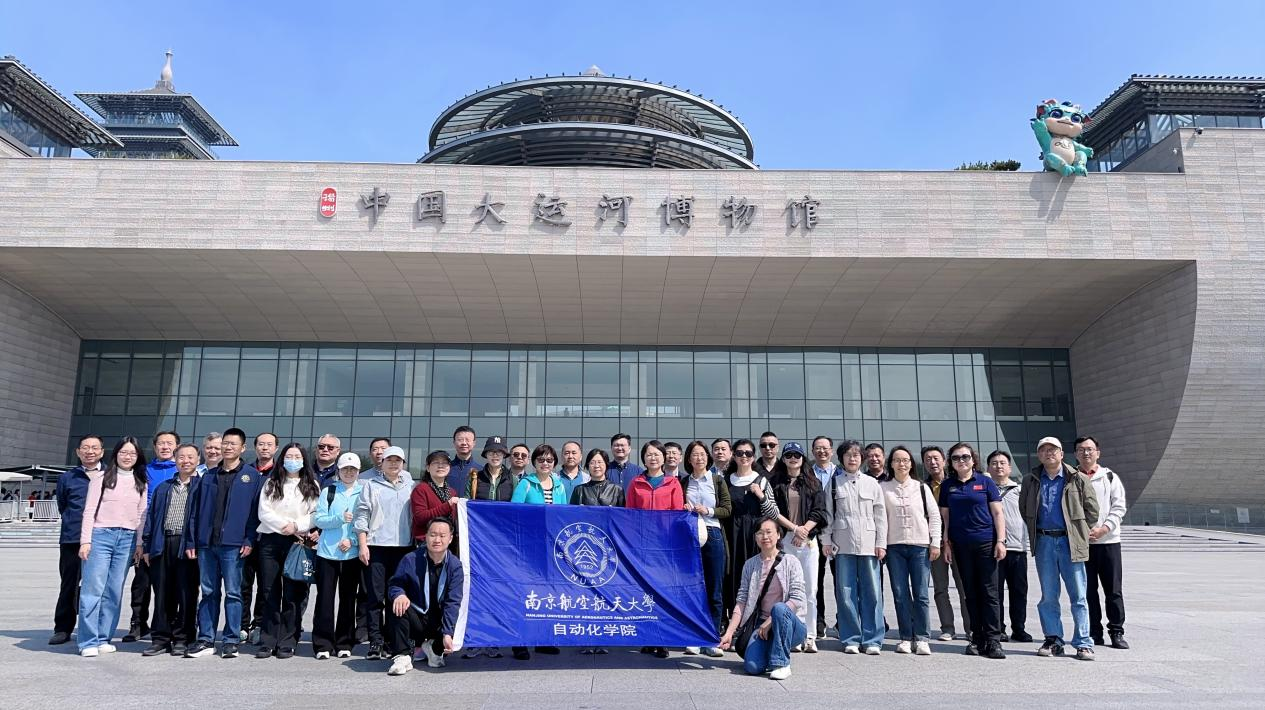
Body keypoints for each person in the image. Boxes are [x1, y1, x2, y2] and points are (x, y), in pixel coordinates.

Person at [183, 427, 264, 659]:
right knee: (208, 592)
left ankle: (230, 640)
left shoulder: (252, 477)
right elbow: (194, 513)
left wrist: (249, 539)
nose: (227, 447)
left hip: (234, 545)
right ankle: (206, 639)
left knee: (233, 593)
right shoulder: (208, 476)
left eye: (232, 444)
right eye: (225, 443)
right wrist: (192, 541)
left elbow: (255, 513)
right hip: (207, 544)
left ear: (243, 448)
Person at [1020, 437, 1099, 661]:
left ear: (1062, 454)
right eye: (1044, 450)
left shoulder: (1077, 478)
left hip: (1069, 542)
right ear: (1039, 455)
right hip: (1044, 541)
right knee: (1048, 595)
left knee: (1079, 596)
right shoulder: (1031, 480)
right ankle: (1053, 639)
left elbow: (1092, 511)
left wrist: (1078, 531)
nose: (1049, 453)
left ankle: (1083, 643)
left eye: (1053, 449)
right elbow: (1024, 509)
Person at [77, 437, 149, 657]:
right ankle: (87, 641)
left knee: (114, 591)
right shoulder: (101, 478)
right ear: (116, 454)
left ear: (138, 457)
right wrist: (85, 541)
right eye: (123, 452)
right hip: (101, 536)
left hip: (127, 539)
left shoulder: (141, 482)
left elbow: (141, 515)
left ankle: (103, 637)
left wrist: (139, 543)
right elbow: (89, 510)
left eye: (132, 453)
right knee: (92, 589)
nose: (127, 457)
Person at [938, 442, 1007, 659]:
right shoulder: (948, 486)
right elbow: (945, 518)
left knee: (990, 593)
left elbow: (998, 513)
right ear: (951, 462)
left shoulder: (985, 482)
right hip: (961, 546)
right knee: (970, 593)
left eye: (965, 457)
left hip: (986, 543)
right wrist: (946, 543)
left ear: (973, 460)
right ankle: (977, 638)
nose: (961, 461)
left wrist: (1001, 541)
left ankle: (994, 640)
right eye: (956, 458)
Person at [719, 518, 807, 680]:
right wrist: (729, 633)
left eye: (769, 532)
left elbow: (797, 599)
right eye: (760, 533)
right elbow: (742, 601)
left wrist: (770, 622)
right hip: (760, 624)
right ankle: (773, 650)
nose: (764, 537)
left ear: (778, 535)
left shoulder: (791, 562)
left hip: (790, 623)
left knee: (779, 608)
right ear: (755, 537)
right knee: (752, 667)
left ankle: (782, 663)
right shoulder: (750, 565)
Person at [253, 442, 319, 659]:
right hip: (271, 541)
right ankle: (268, 640)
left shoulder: (311, 485)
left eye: (297, 456)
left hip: (297, 542)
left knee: (294, 593)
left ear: (304, 460)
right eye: (289, 456)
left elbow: (315, 514)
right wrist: (284, 526)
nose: (293, 460)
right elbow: (264, 512)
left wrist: (296, 526)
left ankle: (288, 640)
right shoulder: (271, 482)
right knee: (269, 591)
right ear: (282, 459)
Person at [822, 439, 886, 655]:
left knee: (872, 592)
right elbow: (828, 515)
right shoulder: (834, 483)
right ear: (841, 459)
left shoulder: (872, 483)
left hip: (869, 544)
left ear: (862, 459)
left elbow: (880, 516)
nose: (852, 458)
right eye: (848, 455)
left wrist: (881, 543)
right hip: (843, 544)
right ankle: (851, 638)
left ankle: (873, 639)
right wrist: (826, 541)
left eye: (856, 455)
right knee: (845, 592)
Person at [625, 439, 685, 659]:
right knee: (643, 592)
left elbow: (677, 515)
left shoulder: (673, 483)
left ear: (663, 458)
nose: (653, 458)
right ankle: (647, 638)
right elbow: (629, 515)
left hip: (664, 547)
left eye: (657, 454)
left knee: (663, 592)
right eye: (649, 454)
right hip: (641, 546)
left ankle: (663, 640)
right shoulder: (636, 483)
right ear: (644, 458)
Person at [354, 445, 415, 661]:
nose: (393, 464)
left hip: (403, 548)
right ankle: (375, 641)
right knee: (375, 597)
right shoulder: (371, 485)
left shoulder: (411, 486)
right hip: (376, 547)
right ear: (382, 463)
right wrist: (363, 545)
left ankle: (391, 640)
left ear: (403, 464)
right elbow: (361, 515)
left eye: (398, 460)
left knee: (395, 597)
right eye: (390, 460)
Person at [141, 442, 202, 656]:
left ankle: (183, 638)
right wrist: (147, 546)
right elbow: (151, 518)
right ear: (175, 460)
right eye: (181, 457)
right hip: (162, 543)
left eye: (190, 457)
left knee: (186, 593)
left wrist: (196, 544)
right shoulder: (163, 487)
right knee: (162, 593)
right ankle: (160, 638)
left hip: (188, 546)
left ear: (198, 460)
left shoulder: (203, 487)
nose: (186, 461)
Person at [385, 517, 465, 676]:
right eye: (433, 535)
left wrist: (448, 633)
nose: (437, 540)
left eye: (442, 536)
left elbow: (453, 601)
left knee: (459, 619)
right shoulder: (411, 559)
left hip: (439, 620)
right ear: (425, 536)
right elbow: (395, 584)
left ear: (450, 538)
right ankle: (403, 656)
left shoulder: (455, 566)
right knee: (398, 604)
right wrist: (399, 594)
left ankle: (434, 648)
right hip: (417, 617)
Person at [880, 445, 941, 655]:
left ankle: (922, 637)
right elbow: (880, 519)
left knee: (921, 594)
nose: (902, 464)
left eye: (906, 460)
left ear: (911, 464)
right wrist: (881, 544)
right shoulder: (883, 488)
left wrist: (935, 542)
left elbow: (934, 516)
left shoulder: (921, 487)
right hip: (894, 547)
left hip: (920, 546)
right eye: (897, 460)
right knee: (900, 594)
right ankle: (906, 637)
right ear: (891, 464)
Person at [509, 444, 567, 660]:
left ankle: (543, 639)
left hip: (550, 548)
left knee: (546, 594)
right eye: (541, 459)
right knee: (524, 594)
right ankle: (520, 642)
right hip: (528, 548)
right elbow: (514, 513)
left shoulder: (560, 485)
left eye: (549, 460)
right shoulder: (525, 483)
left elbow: (563, 516)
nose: (545, 463)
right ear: (534, 462)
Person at [769, 441, 828, 653]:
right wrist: (795, 530)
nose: (793, 459)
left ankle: (810, 635)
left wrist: (804, 531)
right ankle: (793, 635)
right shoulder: (776, 483)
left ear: (803, 458)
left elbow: (820, 511)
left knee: (810, 590)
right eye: (789, 455)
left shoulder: (813, 482)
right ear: (783, 459)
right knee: (788, 590)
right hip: (786, 540)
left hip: (808, 541)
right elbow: (773, 512)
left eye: (797, 455)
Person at [460, 436, 514, 660]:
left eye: (499, 452)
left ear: (504, 455)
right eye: (492, 452)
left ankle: (492, 640)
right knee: (476, 590)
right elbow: (465, 504)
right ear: (485, 455)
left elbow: (516, 509)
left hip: (501, 545)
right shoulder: (475, 476)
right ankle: (474, 641)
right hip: (478, 544)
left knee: (497, 591)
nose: (495, 455)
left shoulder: (512, 479)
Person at [125, 431, 180, 643]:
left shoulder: (182, 470)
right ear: (155, 447)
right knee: (141, 581)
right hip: (145, 531)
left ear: (176, 446)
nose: (165, 447)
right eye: (161, 443)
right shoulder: (143, 471)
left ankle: (169, 624)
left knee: (169, 583)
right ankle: (138, 623)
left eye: (169, 443)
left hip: (172, 533)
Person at [1075, 436, 1129, 649]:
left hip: (1109, 543)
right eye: (1081, 450)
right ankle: (1094, 632)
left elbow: (1119, 507)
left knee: (1113, 590)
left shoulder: (1109, 476)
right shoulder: (1071, 477)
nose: (1086, 453)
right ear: (1076, 454)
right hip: (1083, 544)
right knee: (1087, 591)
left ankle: (1116, 632)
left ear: (1098, 452)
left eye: (1090, 449)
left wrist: (1104, 529)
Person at [569, 448, 625, 655]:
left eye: (600, 462)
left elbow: (622, 520)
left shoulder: (617, 490)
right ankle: (586, 638)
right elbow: (571, 519)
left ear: (606, 465)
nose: (596, 465)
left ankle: (603, 637)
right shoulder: (579, 490)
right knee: (585, 593)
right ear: (587, 466)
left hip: (608, 549)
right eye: (593, 462)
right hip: (584, 547)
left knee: (605, 593)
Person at [50, 434, 104, 645]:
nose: (90, 451)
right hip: (72, 538)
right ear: (78, 452)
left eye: (94, 447)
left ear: (102, 451)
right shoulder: (67, 477)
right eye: (85, 447)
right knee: (69, 584)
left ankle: (97, 629)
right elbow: (63, 505)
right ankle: (63, 628)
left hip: (101, 538)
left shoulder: (110, 475)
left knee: (100, 586)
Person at [312, 452, 364, 660]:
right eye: (345, 469)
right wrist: (339, 518)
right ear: (338, 471)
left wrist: (352, 540)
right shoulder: (329, 491)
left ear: (358, 471)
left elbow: (366, 520)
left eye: (353, 469)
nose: (349, 473)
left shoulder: (364, 491)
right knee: (324, 599)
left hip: (351, 553)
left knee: (348, 600)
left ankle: (344, 642)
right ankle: (322, 644)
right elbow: (319, 519)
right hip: (328, 553)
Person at [680, 441, 730, 658]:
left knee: (714, 589)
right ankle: (693, 637)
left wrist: (708, 510)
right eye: (694, 455)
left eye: (702, 454)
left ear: (708, 458)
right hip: (690, 535)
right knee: (693, 588)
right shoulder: (684, 482)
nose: (699, 458)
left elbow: (727, 509)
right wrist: (684, 508)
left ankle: (712, 638)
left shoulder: (717, 480)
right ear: (689, 459)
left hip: (713, 534)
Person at [722, 439, 778, 617]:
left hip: (754, 535)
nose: (744, 456)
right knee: (732, 575)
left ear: (754, 456)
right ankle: (733, 619)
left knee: (755, 575)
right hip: (731, 534)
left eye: (748, 453)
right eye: (739, 453)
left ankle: (754, 618)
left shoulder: (761, 480)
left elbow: (774, 512)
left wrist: (761, 496)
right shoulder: (725, 481)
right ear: (733, 455)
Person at [924, 445, 970, 641]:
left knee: (964, 587)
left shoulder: (956, 482)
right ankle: (948, 628)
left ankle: (971, 629)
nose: (932, 462)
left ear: (944, 460)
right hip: (936, 543)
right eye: (927, 459)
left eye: (936, 458)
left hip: (958, 541)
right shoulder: (922, 487)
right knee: (940, 588)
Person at [987, 450, 1031, 643]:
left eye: (1002, 463)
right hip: (994, 549)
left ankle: (1019, 628)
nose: (998, 466)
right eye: (994, 463)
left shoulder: (1020, 490)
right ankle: (999, 628)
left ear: (1010, 468)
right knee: (995, 593)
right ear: (988, 468)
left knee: (1019, 591)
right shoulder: (985, 490)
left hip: (1017, 548)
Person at [241, 431, 278, 645]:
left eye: (269, 444)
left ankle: (259, 624)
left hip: (269, 538)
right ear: (255, 447)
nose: (265, 448)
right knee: (243, 585)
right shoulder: (245, 471)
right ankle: (241, 625)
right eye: (261, 444)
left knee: (266, 586)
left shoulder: (280, 473)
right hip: (245, 537)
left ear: (276, 448)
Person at [808, 435, 836, 638]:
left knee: (841, 580)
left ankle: (844, 621)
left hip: (838, 534)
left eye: (825, 448)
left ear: (832, 451)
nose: (822, 451)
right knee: (815, 581)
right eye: (818, 448)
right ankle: (818, 621)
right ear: (813, 451)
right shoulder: (807, 474)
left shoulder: (840, 473)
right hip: (813, 533)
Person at [410, 450, 460, 550]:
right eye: (436, 463)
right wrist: (447, 505)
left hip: (447, 543)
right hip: (426, 543)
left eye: (444, 463)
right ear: (428, 468)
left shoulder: (452, 492)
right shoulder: (421, 489)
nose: (440, 466)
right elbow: (420, 518)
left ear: (449, 468)